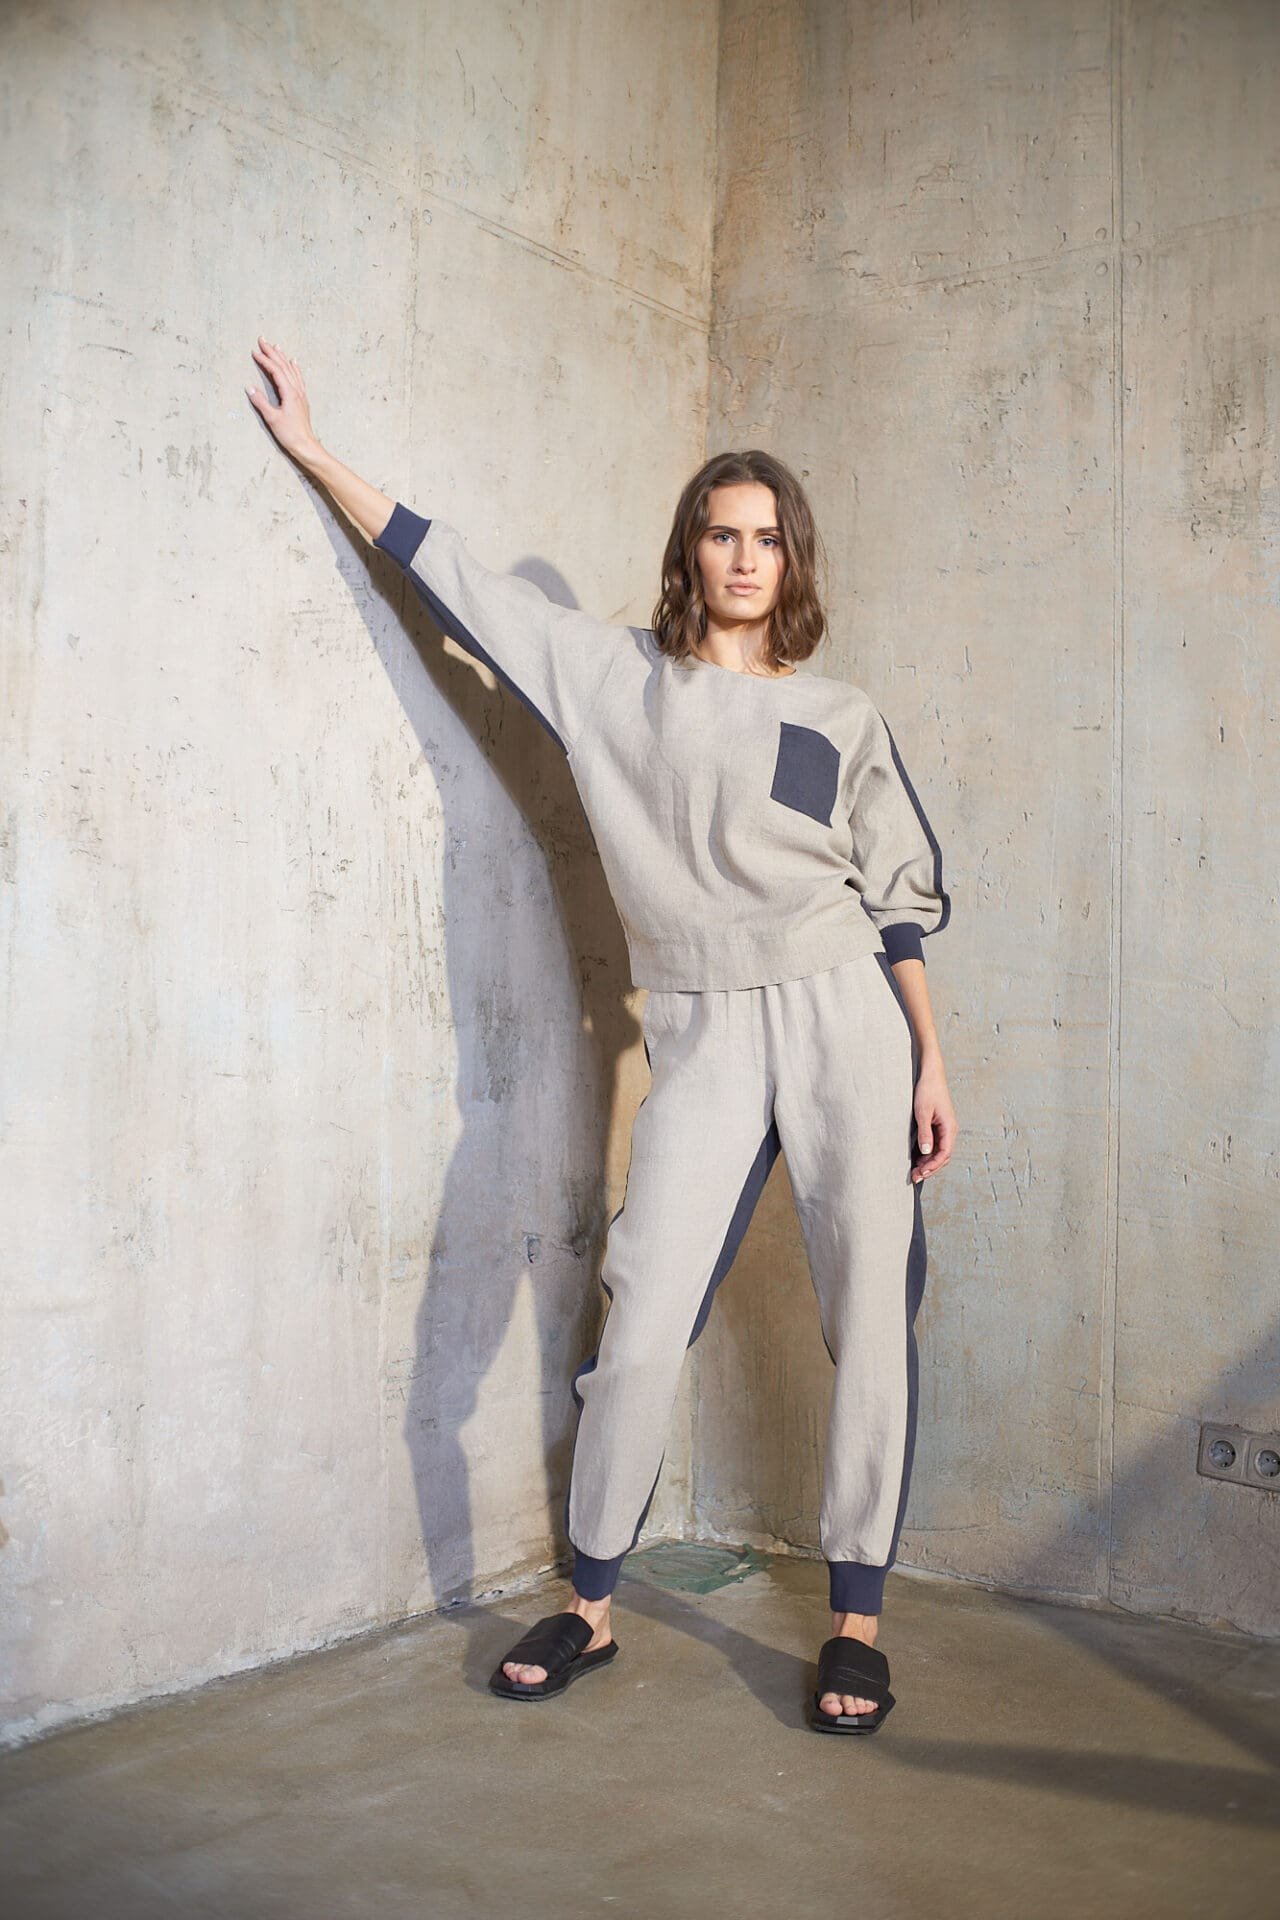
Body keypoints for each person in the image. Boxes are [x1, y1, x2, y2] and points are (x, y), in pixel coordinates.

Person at [246, 336, 958, 1734]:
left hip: (846, 1018)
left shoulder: (839, 714)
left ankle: (857, 1624)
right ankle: (591, 1606)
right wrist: (318, 453)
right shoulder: (607, 677)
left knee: (872, 1313)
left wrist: (932, 1059)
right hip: (698, 1024)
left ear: (793, 560)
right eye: (722, 533)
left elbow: (894, 901)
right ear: (690, 549)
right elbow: (458, 580)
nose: (744, 558)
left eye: (767, 538)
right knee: (641, 1324)